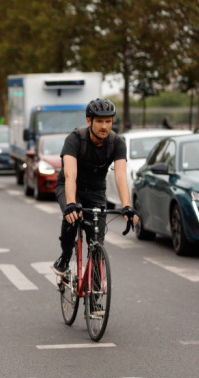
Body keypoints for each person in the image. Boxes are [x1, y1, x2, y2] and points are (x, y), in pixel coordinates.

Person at [52, 98, 139, 279]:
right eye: (99, 121)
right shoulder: (75, 139)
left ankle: (96, 289)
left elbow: (121, 175)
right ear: (89, 121)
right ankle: (66, 256)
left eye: (108, 121)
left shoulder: (117, 143)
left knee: (97, 239)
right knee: (72, 218)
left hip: (96, 190)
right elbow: (70, 174)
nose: (104, 126)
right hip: (70, 187)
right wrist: (70, 203)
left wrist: (127, 206)